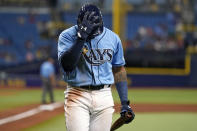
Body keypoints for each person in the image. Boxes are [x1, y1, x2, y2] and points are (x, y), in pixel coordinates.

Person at [58, 4, 135, 131]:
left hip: (104, 95)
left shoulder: (113, 38)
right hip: (77, 94)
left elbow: (119, 69)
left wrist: (125, 103)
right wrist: (81, 38)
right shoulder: (67, 36)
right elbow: (67, 65)